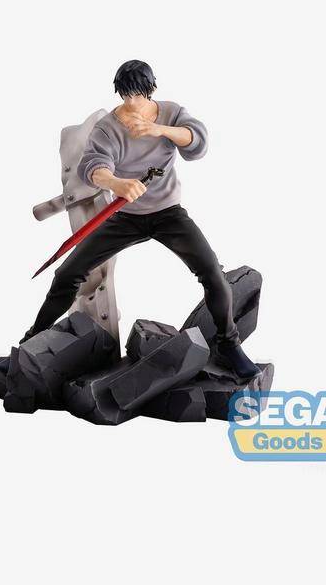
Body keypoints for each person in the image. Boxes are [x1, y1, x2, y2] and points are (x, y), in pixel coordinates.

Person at [21, 59, 259, 378]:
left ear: (152, 89)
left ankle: (229, 344)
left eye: (139, 95)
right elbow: (93, 165)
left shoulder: (172, 112)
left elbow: (198, 142)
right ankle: (32, 339)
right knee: (68, 273)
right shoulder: (108, 127)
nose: (132, 103)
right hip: (126, 216)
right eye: (126, 95)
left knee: (213, 274)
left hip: (169, 214)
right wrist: (116, 182)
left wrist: (160, 130)